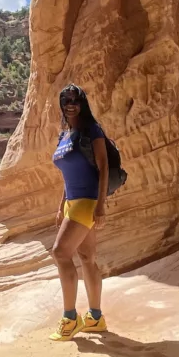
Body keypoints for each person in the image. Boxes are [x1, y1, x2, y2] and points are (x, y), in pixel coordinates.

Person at [48, 83, 111, 340]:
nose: (70, 104)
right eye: (66, 101)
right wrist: (61, 204)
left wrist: (101, 204)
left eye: (75, 100)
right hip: (72, 202)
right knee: (87, 258)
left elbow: (104, 167)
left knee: (60, 253)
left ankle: (70, 318)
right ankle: (95, 318)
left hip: (87, 201)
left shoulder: (91, 130)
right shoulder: (65, 135)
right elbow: (67, 173)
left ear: (83, 103)